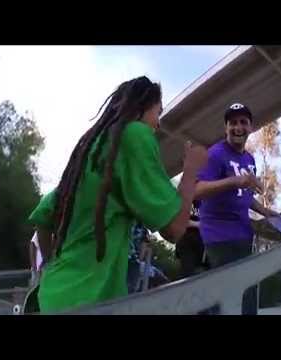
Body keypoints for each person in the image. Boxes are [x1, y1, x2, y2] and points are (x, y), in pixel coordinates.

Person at [28, 76, 207, 313]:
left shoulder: (91, 150)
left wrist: (49, 265)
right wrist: (191, 170)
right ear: (141, 107)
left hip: (51, 295)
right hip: (88, 301)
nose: (158, 125)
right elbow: (174, 229)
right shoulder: (135, 135)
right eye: (158, 113)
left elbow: (44, 216)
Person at [195, 103, 279, 315]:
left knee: (247, 295)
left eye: (243, 122)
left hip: (244, 235)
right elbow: (197, 190)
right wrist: (234, 181)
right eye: (233, 123)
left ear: (251, 127)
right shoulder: (214, 154)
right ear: (226, 128)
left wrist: (268, 213)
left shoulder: (250, 159)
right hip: (218, 237)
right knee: (223, 299)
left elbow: (246, 196)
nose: (238, 127)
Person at [175, 200, 208, 278]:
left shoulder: (209, 200)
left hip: (205, 241)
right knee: (188, 272)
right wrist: (200, 224)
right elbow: (178, 221)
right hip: (187, 241)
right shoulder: (184, 199)